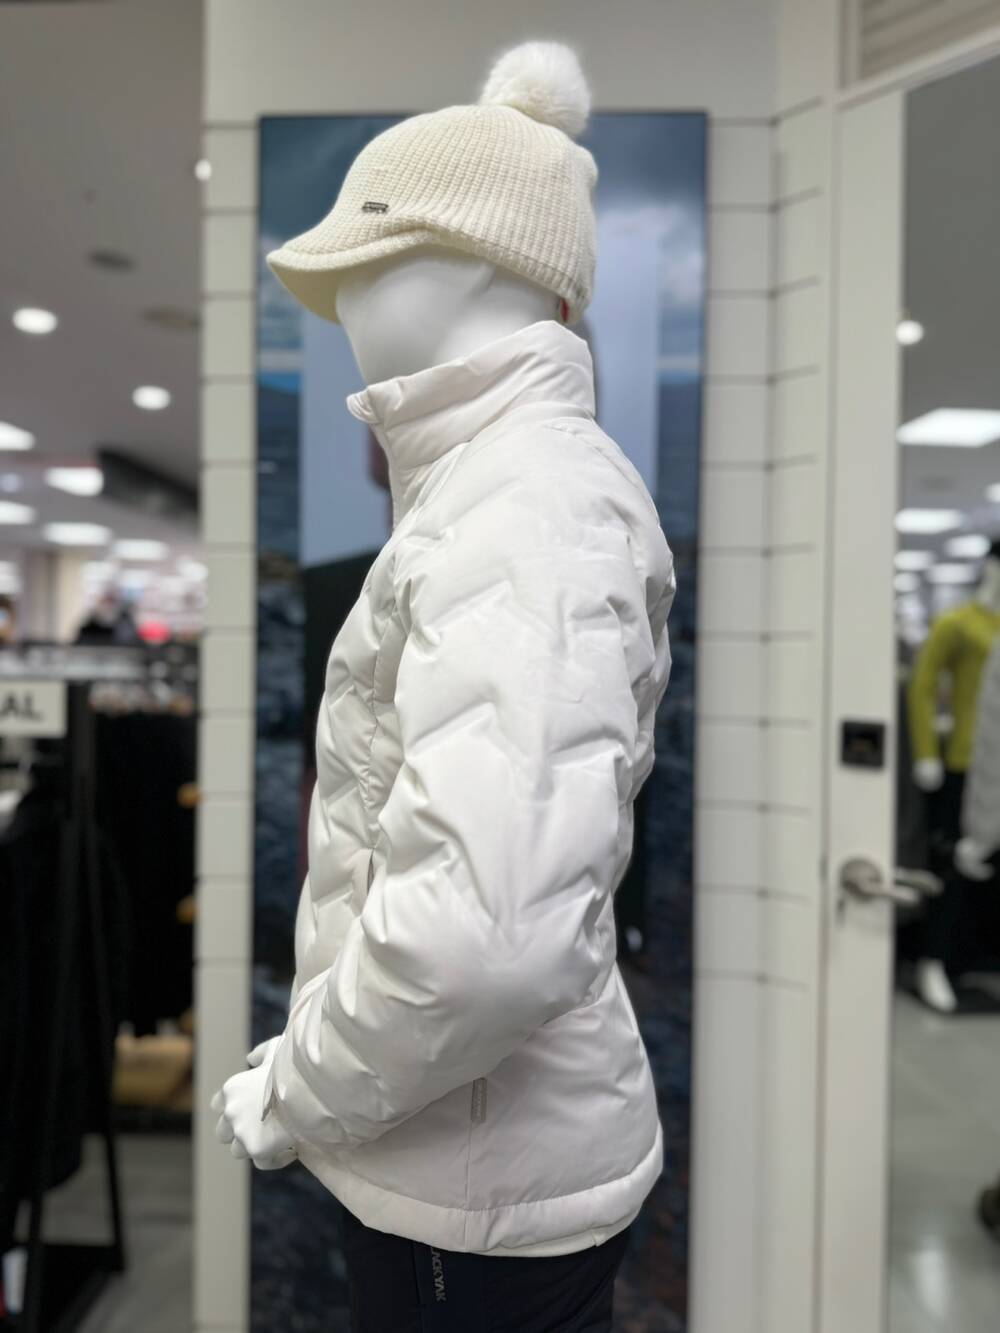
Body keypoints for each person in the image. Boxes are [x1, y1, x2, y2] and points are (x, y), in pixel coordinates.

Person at [212, 42, 675, 1330]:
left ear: (476, 261)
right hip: (462, 1158)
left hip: (472, 1192)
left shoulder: (527, 510)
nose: (344, 295)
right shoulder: (500, 495)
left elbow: (483, 946)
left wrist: (297, 1089)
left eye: (367, 257)